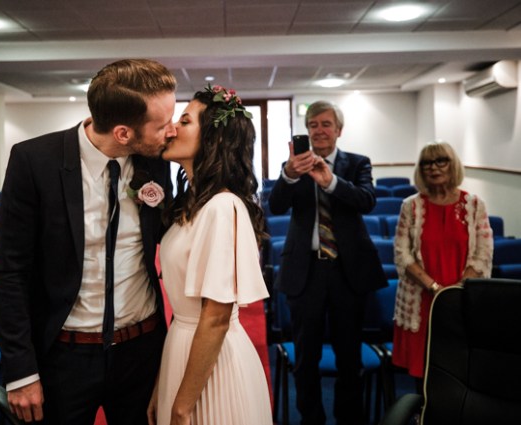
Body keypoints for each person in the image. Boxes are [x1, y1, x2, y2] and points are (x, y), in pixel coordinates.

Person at [0, 59, 177, 424]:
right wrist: (21, 371)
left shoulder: (156, 161)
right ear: (123, 133)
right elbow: (9, 271)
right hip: (64, 358)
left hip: (142, 352)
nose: (170, 132)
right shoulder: (34, 161)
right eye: (162, 124)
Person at [146, 85, 273, 425]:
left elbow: (216, 317)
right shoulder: (192, 204)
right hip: (183, 347)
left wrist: (183, 406)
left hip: (213, 365)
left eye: (184, 121)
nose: (171, 129)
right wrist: (162, 383)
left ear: (212, 139)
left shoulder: (223, 206)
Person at [268, 100, 387, 425]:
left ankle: (349, 417)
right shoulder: (294, 164)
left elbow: (367, 202)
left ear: (339, 130)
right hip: (305, 271)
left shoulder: (357, 163)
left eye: (325, 124)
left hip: (348, 271)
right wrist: (289, 175)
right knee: (306, 357)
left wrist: (330, 181)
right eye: (313, 125)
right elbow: (276, 207)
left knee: (350, 354)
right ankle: (311, 419)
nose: (319, 131)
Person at [392, 141, 493, 388]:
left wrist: (457, 290)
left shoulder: (474, 205)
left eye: (441, 161)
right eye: (426, 163)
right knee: (423, 378)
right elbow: (401, 254)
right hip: (422, 297)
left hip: (462, 297)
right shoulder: (411, 206)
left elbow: (484, 252)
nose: (433, 168)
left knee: (458, 372)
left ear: (452, 164)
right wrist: (435, 288)